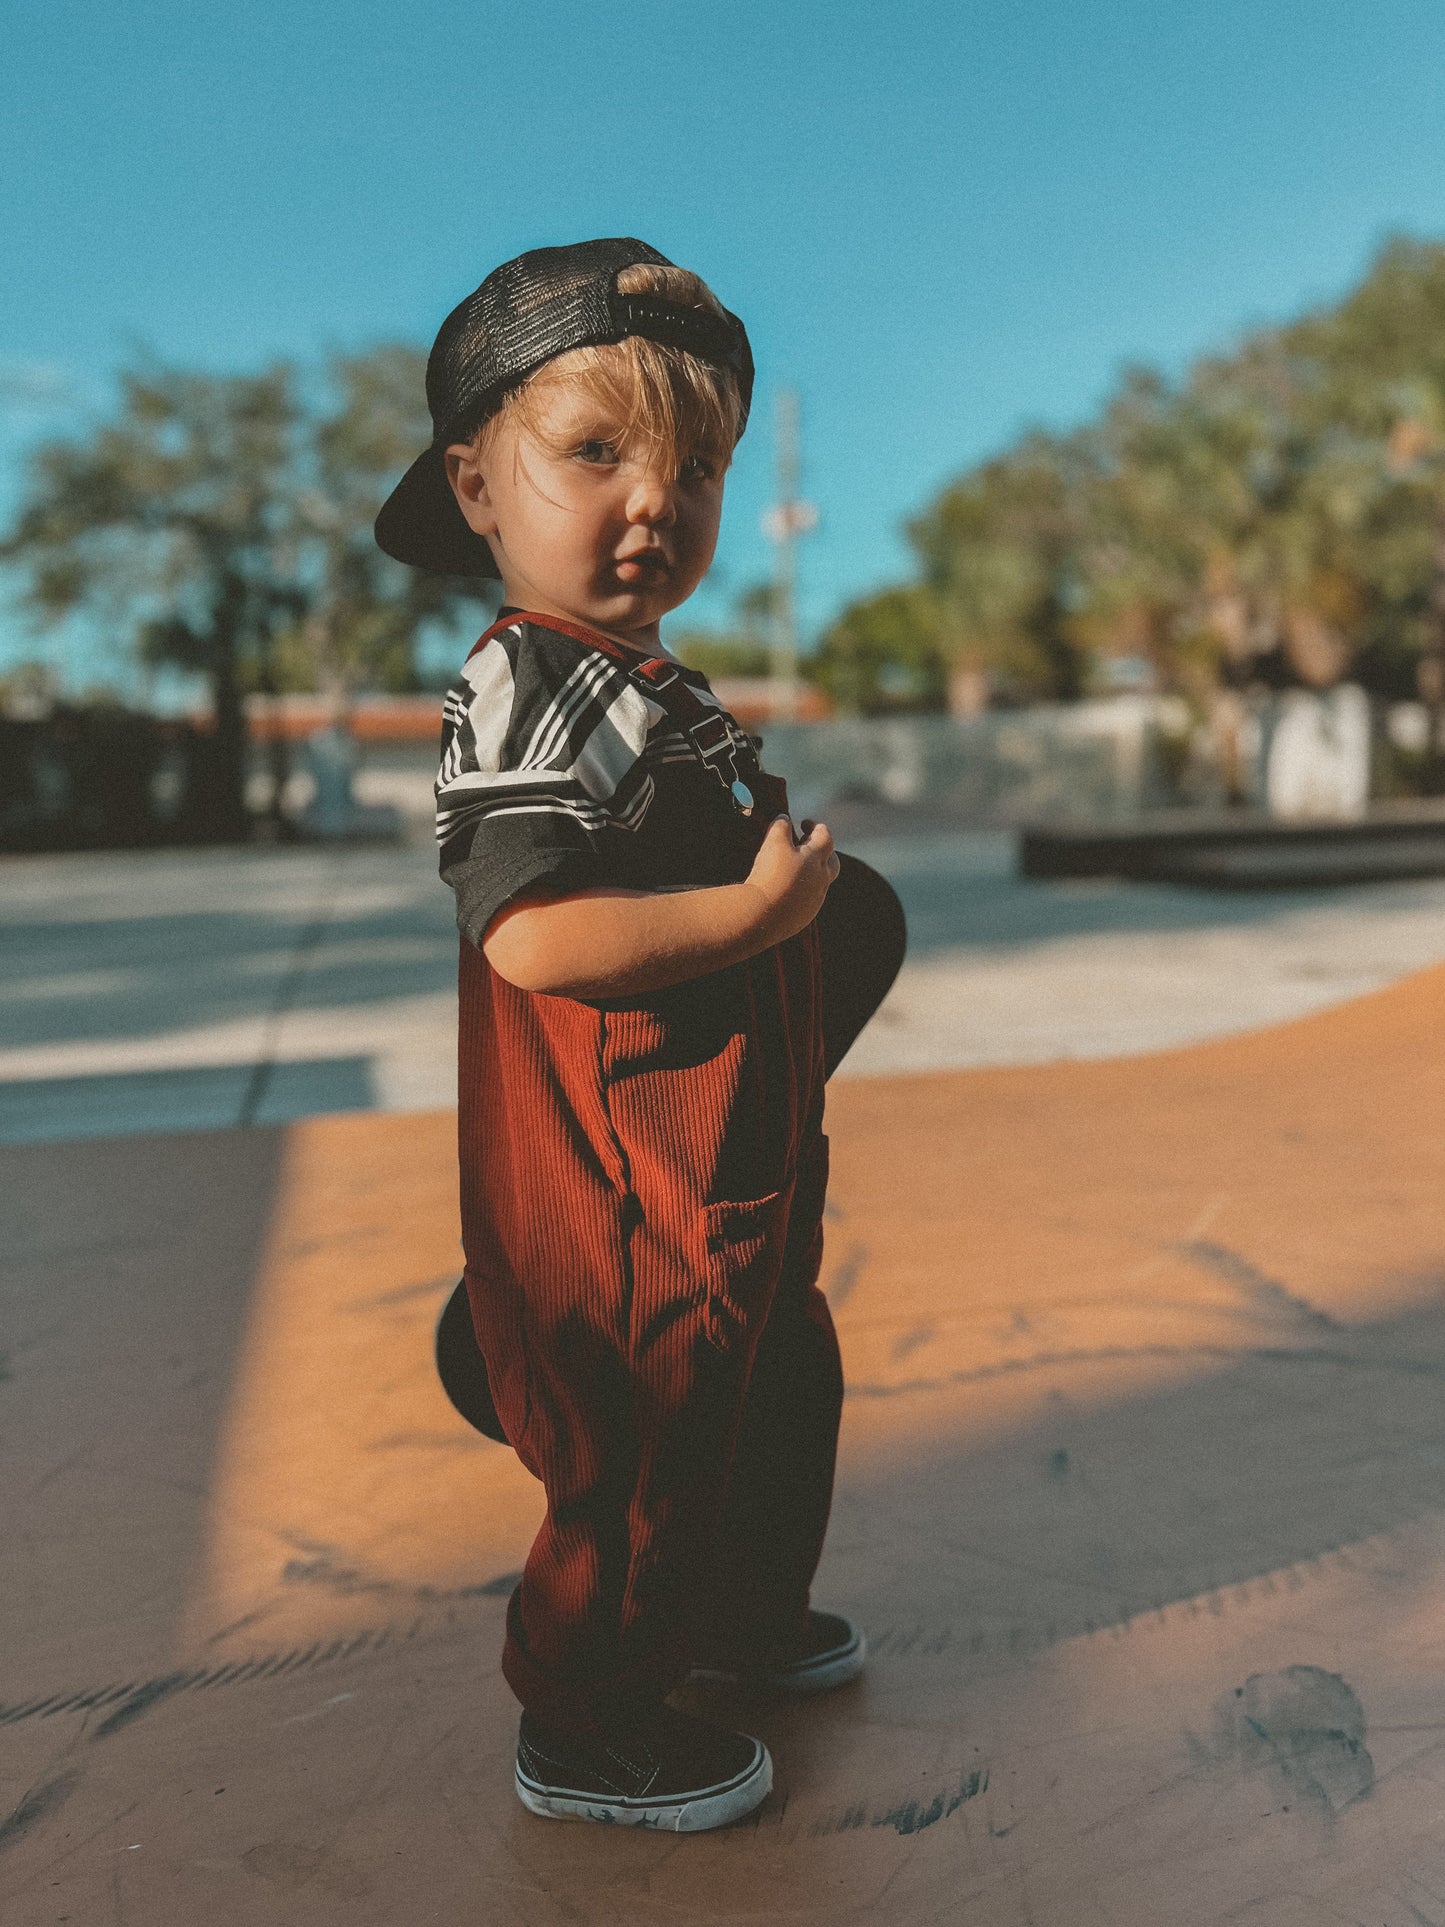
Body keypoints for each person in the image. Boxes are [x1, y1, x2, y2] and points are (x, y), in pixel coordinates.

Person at [375, 238, 905, 1833]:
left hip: (723, 1152)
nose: (650, 501)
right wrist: (751, 928)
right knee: (643, 1423)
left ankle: (735, 1617)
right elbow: (534, 934)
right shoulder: (526, 679)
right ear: (478, 486)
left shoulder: (640, 680)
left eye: (697, 466)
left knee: (764, 1379)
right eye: (593, 451)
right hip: (617, 1182)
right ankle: (591, 1719)